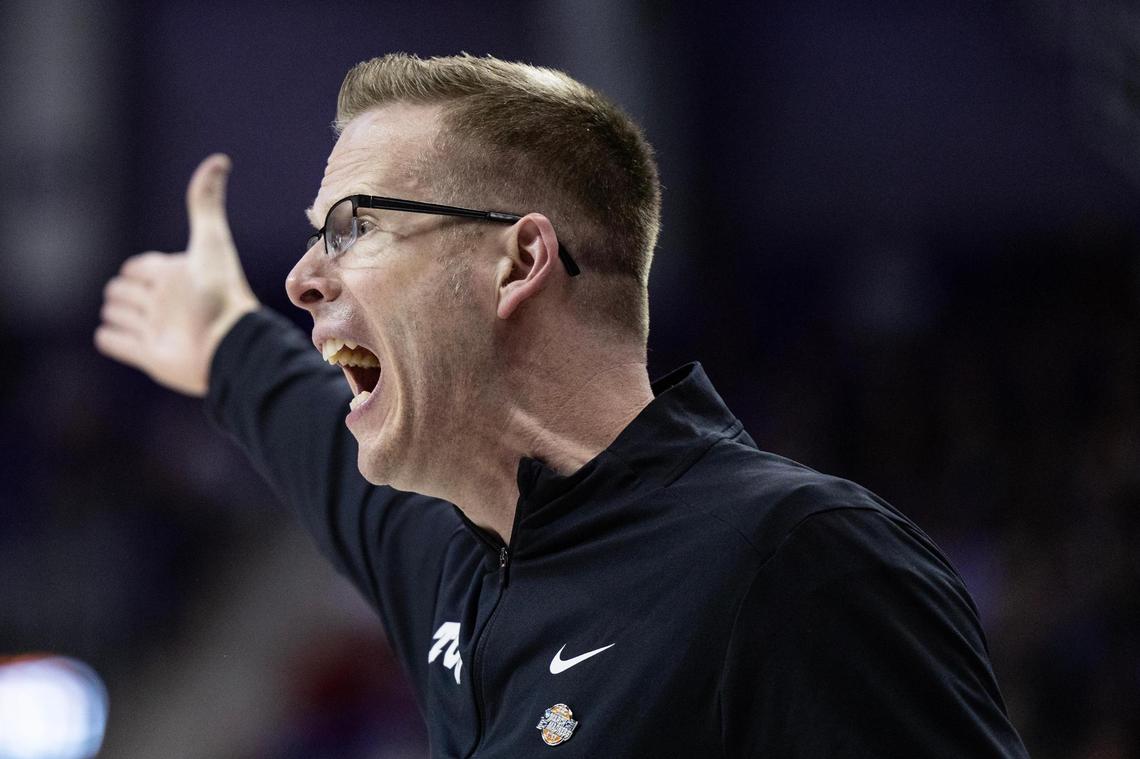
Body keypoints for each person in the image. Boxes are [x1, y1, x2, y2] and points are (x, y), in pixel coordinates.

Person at [95, 53, 1029, 757]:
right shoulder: (462, 558)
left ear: (517, 262)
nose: (300, 277)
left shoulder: (796, 562)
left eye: (355, 227)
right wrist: (224, 339)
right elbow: (317, 448)